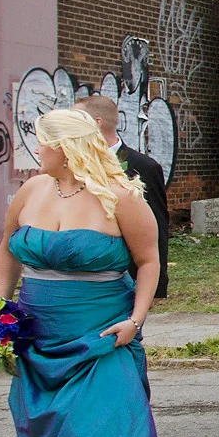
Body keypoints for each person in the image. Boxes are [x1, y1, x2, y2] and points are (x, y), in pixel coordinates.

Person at [0, 108, 166, 437]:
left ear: (66, 148)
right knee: (47, 430)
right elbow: (8, 248)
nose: (37, 151)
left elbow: (149, 261)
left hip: (100, 334)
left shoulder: (121, 198)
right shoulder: (30, 191)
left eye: (43, 144)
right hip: (37, 333)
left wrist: (135, 320)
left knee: (77, 433)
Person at [75, 95, 169, 299]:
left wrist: (155, 288)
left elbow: (158, 227)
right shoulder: (72, 166)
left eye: (76, 118)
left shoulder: (144, 167)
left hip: (123, 277)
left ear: (96, 123)